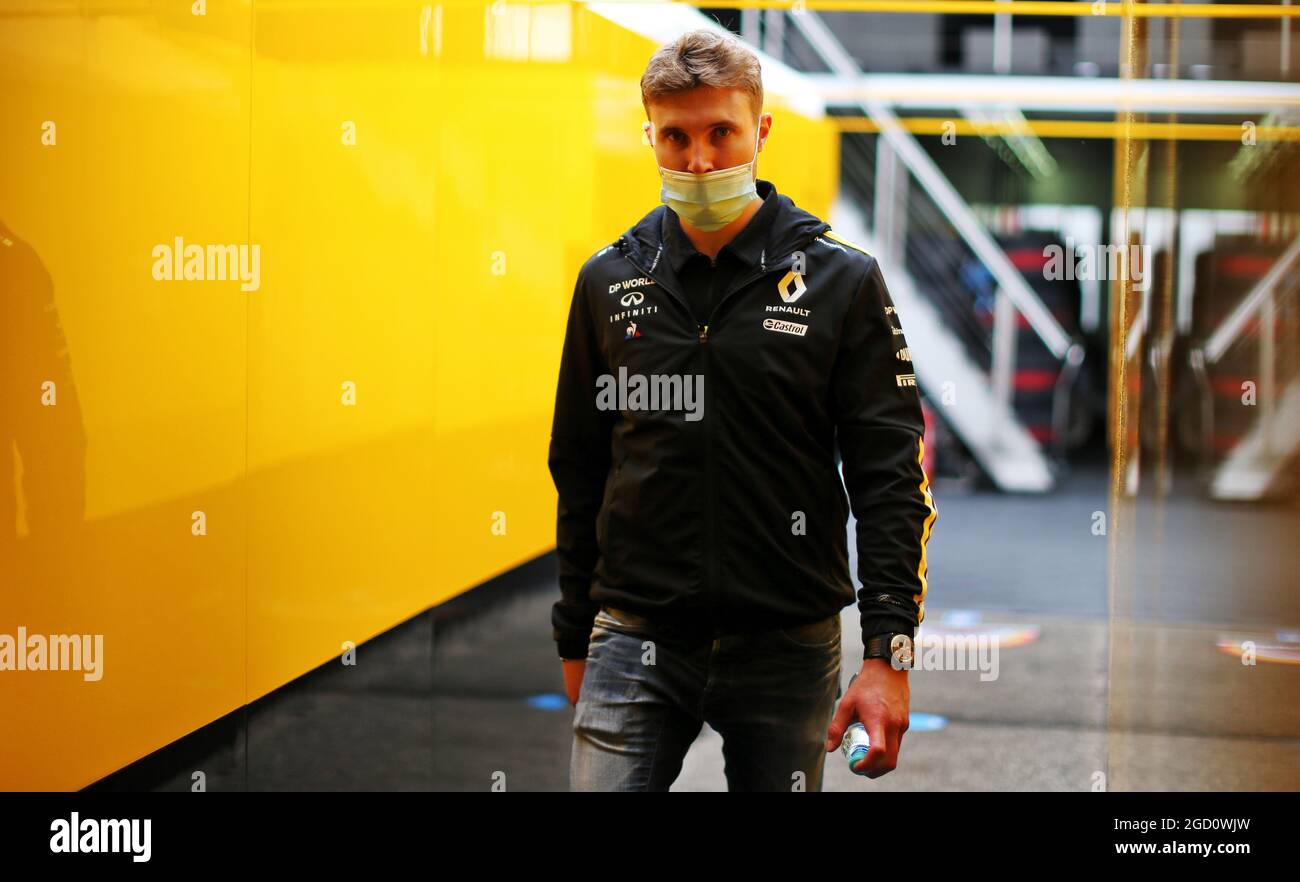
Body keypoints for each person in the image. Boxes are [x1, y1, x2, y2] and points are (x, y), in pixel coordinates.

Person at [547, 28, 937, 791]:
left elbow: (889, 475)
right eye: (676, 137)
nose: (698, 160)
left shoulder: (842, 283)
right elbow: (579, 466)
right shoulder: (608, 281)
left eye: (721, 132)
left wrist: (889, 652)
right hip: (633, 637)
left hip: (786, 643)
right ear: (649, 137)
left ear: (759, 131)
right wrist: (574, 633)